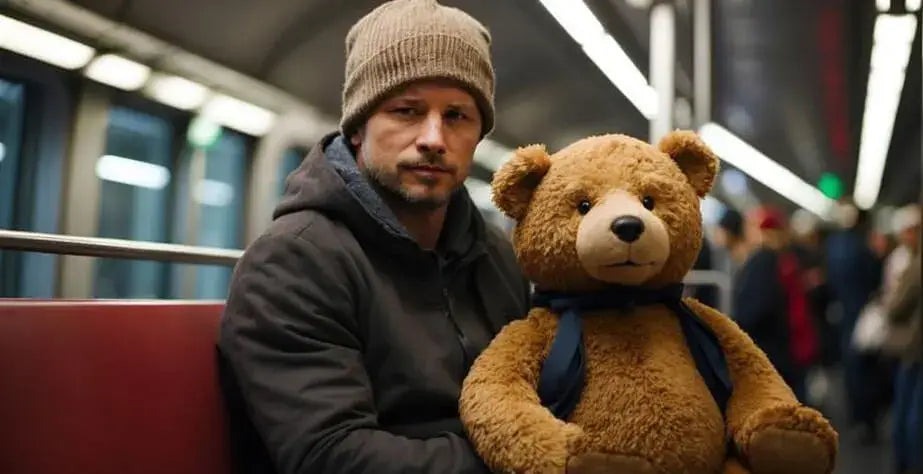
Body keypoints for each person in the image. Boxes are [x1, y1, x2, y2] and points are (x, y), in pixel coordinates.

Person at [216, 1, 531, 473]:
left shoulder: (496, 257)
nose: (433, 138)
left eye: (457, 116)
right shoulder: (293, 263)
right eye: (406, 111)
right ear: (358, 129)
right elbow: (331, 455)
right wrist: (532, 459)